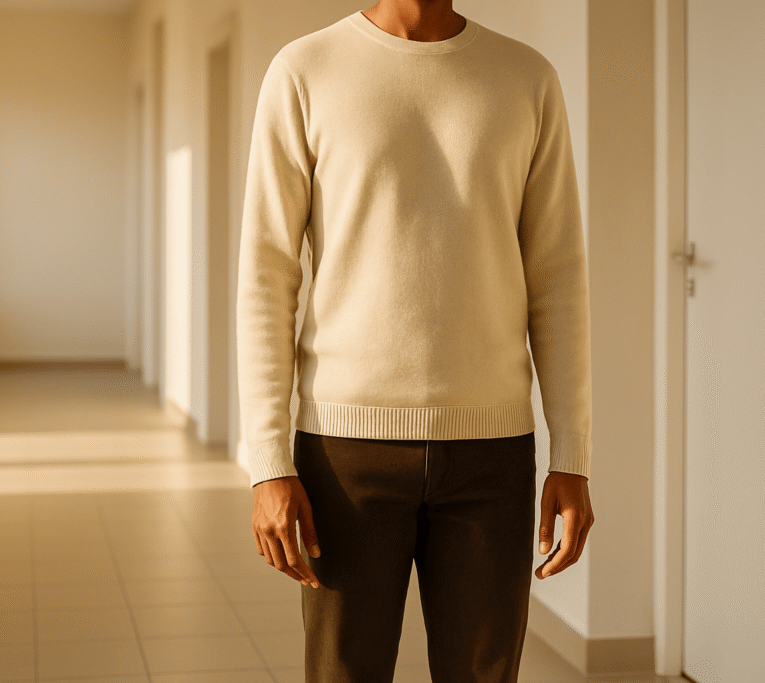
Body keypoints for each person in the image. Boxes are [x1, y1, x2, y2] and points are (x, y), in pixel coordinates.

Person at [236, 1, 595, 681]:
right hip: (344, 455)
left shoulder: (527, 79)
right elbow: (265, 276)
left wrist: (572, 454)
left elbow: (559, 280)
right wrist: (268, 463)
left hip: (494, 454)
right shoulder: (303, 71)